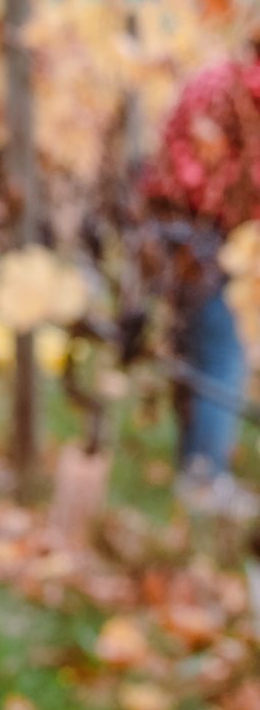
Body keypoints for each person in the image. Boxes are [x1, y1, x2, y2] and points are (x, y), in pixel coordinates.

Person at [141, 54, 260, 511]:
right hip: (212, 235)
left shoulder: (216, 76)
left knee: (196, 350)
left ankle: (194, 465)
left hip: (176, 229)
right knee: (223, 354)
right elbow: (219, 182)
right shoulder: (245, 90)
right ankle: (206, 477)